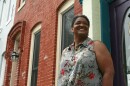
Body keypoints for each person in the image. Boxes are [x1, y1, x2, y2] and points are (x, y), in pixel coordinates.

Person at [58, 14, 114, 86]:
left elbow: (108, 72)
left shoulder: (96, 46)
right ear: (72, 28)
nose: (82, 25)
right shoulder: (65, 51)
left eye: (85, 24)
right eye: (78, 23)